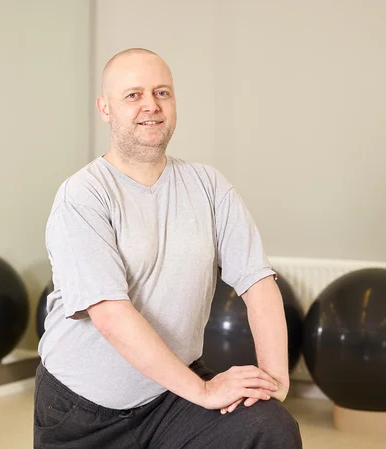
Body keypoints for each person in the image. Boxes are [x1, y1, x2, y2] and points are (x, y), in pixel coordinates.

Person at [34, 48, 302, 448]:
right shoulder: (83, 195)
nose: (151, 106)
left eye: (162, 93)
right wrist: (206, 391)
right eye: (133, 95)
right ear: (105, 108)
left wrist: (275, 382)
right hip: (82, 411)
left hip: (172, 396)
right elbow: (109, 315)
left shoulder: (208, 185)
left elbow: (258, 282)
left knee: (269, 428)